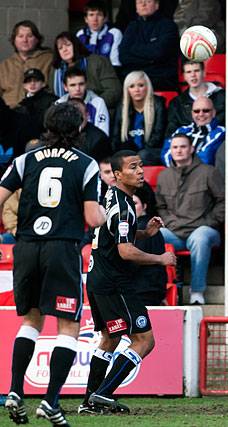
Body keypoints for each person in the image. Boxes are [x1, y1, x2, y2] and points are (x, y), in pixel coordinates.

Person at [1, 103, 106, 426]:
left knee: (31, 321)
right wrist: (102, 215)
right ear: (78, 130)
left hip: (28, 247)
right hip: (62, 248)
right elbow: (91, 216)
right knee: (68, 326)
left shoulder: (25, 159)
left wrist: (11, 230)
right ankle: (50, 401)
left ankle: (16, 391)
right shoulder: (86, 165)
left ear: (46, 126)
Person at [81, 150, 176, 414]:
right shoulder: (125, 206)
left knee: (110, 337)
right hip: (115, 282)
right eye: (133, 167)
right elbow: (125, 252)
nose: (140, 171)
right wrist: (161, 258)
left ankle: (90, 403)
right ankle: (103, 394)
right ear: (118, 174)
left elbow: (116, 236)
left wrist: (145, 233)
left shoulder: (112, 194)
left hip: (98, 278)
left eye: (141, 166)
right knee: (144, 340)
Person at [156, 134, 225, 305]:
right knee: (155, 236)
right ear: (170, 151)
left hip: (204, 230)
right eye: (175, 147)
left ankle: (196, 292)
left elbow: (223, 201)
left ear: (192, 149)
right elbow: (161, 207)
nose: (179, 150)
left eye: (183, 146)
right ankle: (160, 291)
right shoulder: (164, 176)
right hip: (176, 233)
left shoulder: (208, 172)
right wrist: (170, 223)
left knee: (200, 238)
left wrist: (208, 222)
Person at [49, 31, 121, 111]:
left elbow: (114, 91)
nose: (64, 50)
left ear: (76, 45)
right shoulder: (55, 71)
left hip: (97, 112)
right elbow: (52, 96)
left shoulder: (98, 62)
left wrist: (91, 107)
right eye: (60, 48)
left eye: (68, 45)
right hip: (65, 114)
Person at [119, 0, 180, 91]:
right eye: (139, 2)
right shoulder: (131, 27)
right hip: (135, 77)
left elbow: (158, 53)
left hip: (161, 78)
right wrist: (151, 58)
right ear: (136, 8)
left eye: (148, 1)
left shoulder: (168, 26)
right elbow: (123, 56)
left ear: (156, 5)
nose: (143, 4)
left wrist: (133, 49)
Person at [111, 71, 166, 165]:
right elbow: (116, 137)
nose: (137, 90)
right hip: (130, 152)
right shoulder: (121, 108)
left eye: (140, 85)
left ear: (147, 87)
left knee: (142, 155)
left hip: (151, 152)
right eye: (132, 86)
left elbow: (158, 136)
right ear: (127, 90)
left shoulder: (158, 105)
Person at [0, 21, 53, 108]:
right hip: (9, 114)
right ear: (14, 40)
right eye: (20, 36)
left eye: (30, 36)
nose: (25, 40)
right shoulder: (4, 66)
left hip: (37, 113)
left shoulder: (49, 59)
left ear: (37, 39)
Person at [166, 60, 225, 136]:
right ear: (184, 76)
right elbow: (171, 134)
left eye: (196, 71)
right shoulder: (176, 104)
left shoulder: (223, 97)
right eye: (188, 72)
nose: (193, 75)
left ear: (204, 73)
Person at [161, 96, 225, 167]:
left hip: (202, 176)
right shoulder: (181, 130)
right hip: (177, 174)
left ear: (213, 113)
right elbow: (166, 154)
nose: (201, 114)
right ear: (192, 114)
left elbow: (206, 157)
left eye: (206, 110)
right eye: (196, 111)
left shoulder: (220, 132)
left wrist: (181, 164)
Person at [132, 186, 168, 306]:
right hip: (146, 290)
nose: (131, 207)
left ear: (145, 206)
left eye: (135, 203)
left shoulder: (144, 227)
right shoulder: (139, 226)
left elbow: (134, 260)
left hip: (142, 292)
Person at [55, 67, 110, 136]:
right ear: (65, 87)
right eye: (73, 85)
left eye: (81, 84)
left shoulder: (98, 103)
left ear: (86, 84)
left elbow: (103, 134)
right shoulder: (59, 104)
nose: (77, 89)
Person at [12, 68, 58, 148]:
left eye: (36, 80)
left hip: (47, 143)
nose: (32, 83)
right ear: (24, 85)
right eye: (29, 81)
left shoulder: (52, 101)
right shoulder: (22, 105)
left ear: (43, 83)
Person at [76, 0, 123, 68]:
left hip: (107, 74)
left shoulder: (114, 33)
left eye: (99, 15)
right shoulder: (80, 35)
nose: (95, 19)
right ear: (86, 19)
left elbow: (115, 63)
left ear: (105, 18)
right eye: (91, 15)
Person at [68, 98, 113, 163]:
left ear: (87, 115)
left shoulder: (99, 139)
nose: (76, 120)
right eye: (71, 115)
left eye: (80, 116)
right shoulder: (57, 134)